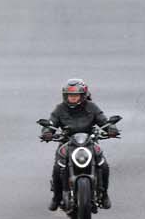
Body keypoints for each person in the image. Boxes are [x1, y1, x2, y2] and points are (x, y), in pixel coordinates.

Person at [43, 78, 119, 211]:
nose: (72, 98)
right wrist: (47, 132)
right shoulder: (60, 109)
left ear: (83, 95)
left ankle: (104, 194)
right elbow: (51, 123)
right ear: (65, 96)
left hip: (89, 142)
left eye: (76, 95)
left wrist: (111, 129)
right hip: (67, 143)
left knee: (104, 165)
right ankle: (57, 197)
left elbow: (103, 121)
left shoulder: (92, 107)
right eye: (70, 95)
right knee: (57, 168)